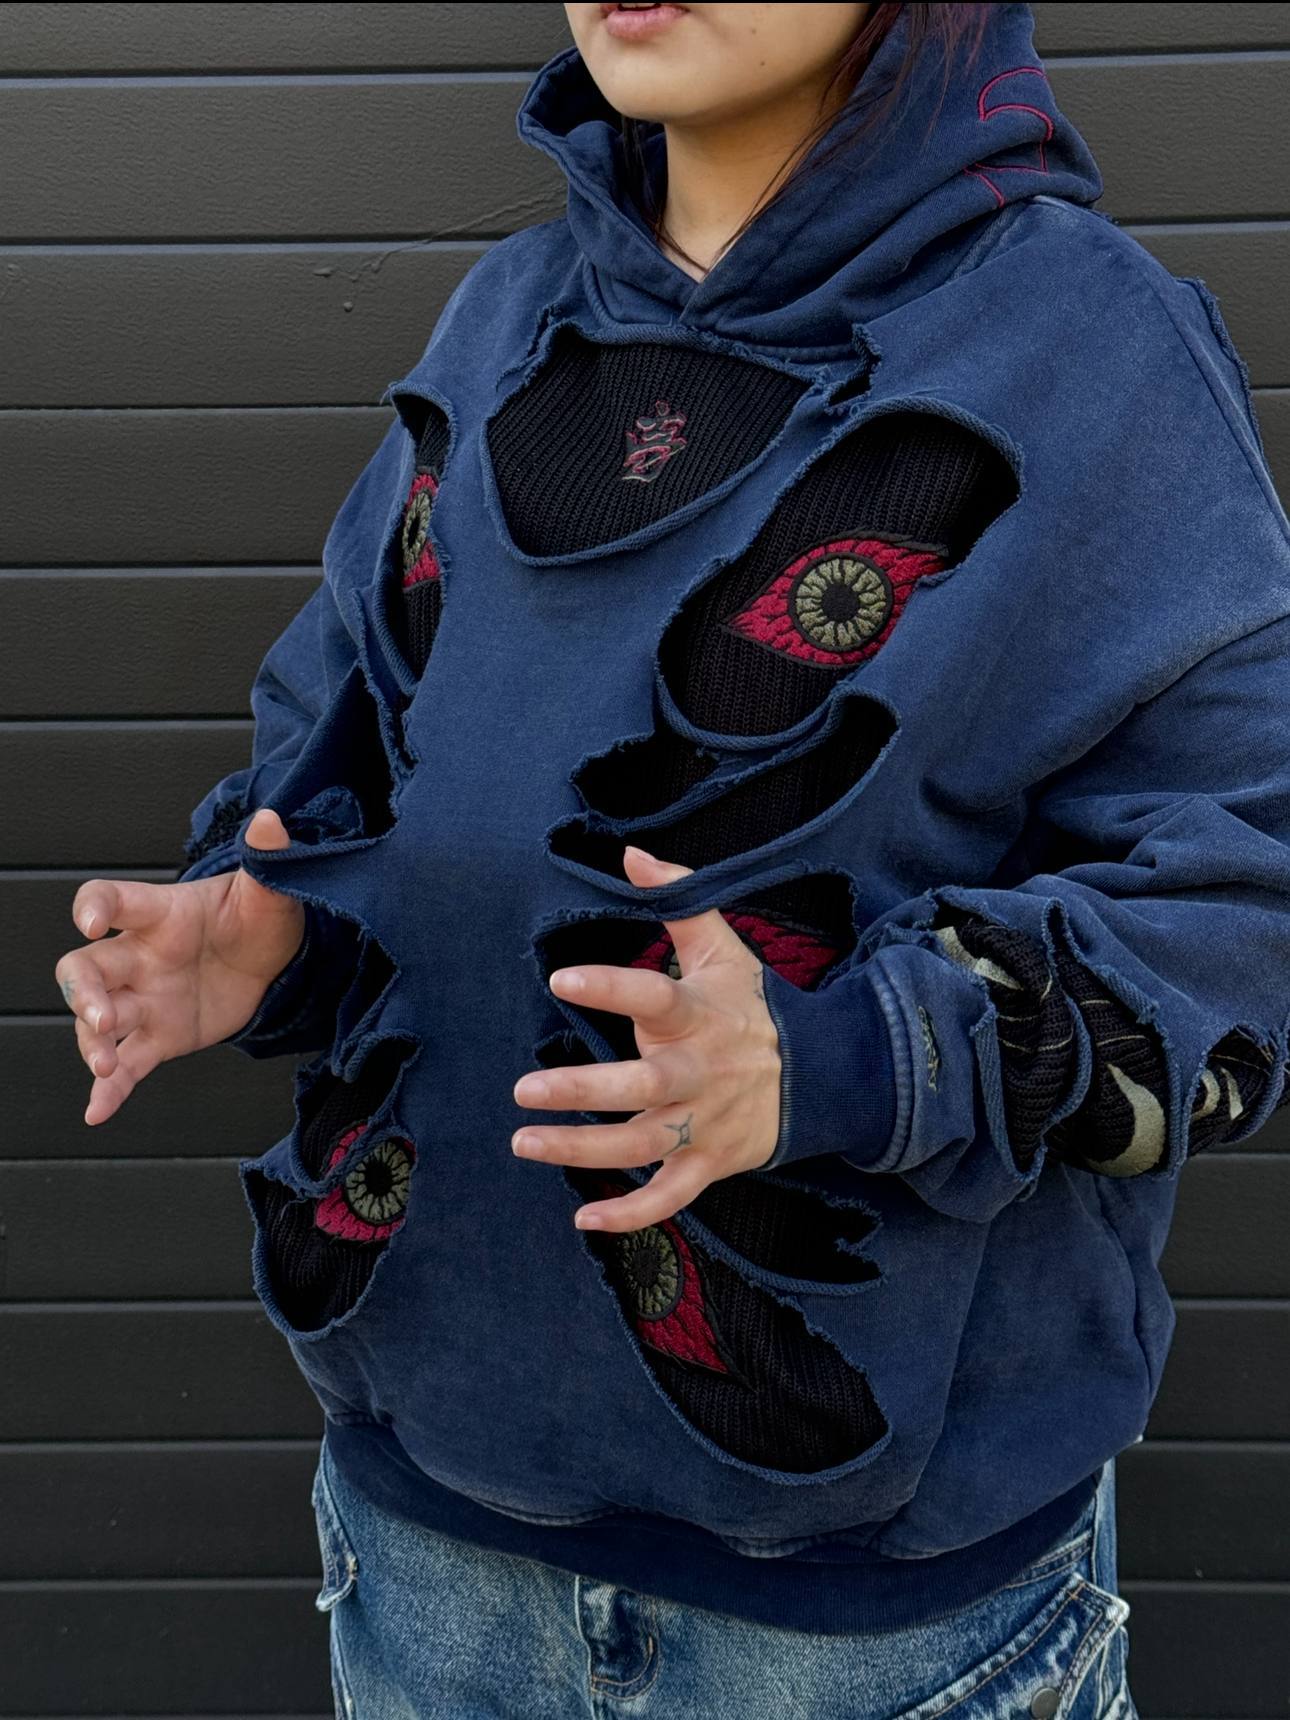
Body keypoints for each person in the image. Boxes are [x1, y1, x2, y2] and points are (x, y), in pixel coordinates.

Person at [53, 3, 1290, 1715]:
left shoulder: (1090, 350)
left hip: (865, 1626)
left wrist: (842, 1059)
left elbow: (1244, 906)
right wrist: (273, 929)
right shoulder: (505, 320)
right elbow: (349, 752)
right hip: (427, 1543)